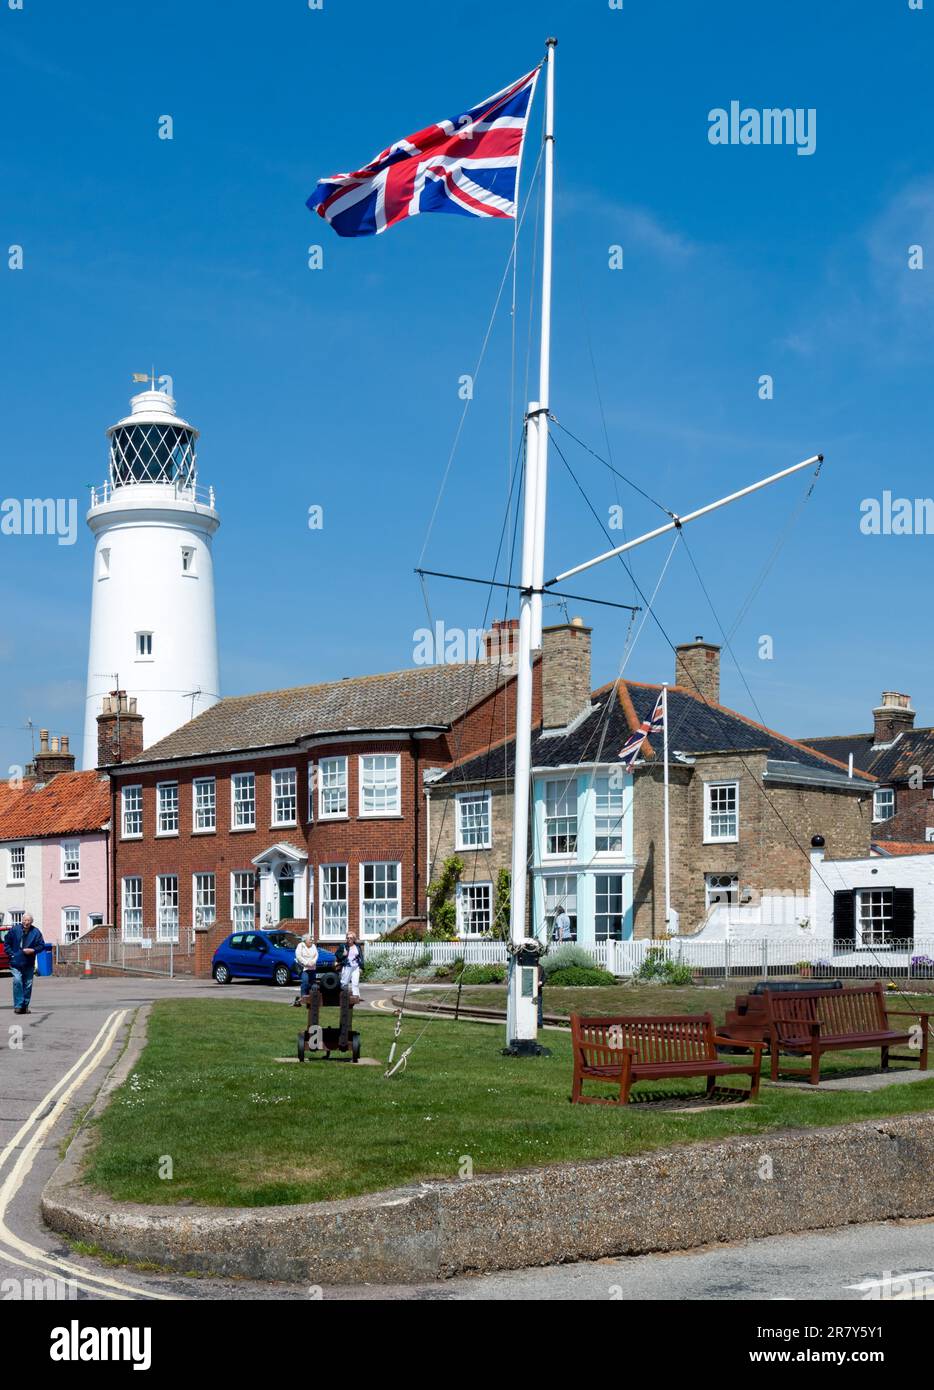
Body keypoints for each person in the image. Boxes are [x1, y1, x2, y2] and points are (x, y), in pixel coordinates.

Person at [7, 914, 45, 1015]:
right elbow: (7, 942)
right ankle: (18, 1006)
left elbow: (41, 945)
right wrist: (12, 954)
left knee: (28, 984)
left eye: (28, 920)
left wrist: (33, 950)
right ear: (22, 920)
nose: (26, 922)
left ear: (31, 922)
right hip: (16, 962)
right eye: (24, 920)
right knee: (17, 981)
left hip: (28, 962)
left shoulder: (36, 932)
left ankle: (25, 1006)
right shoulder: (15, 930)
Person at [336, 930, 364, 1004]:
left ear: (354, 939)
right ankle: (341, 996)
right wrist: (343, 955)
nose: (349, 939)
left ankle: (356, 997)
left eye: (351, 938)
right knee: (344, 983)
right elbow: (337, 955)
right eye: (348, 938)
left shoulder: (357, 947)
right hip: (347, 967)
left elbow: (361, 957)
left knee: (355, 982)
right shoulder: (343, 946)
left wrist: (361, 967)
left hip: (356, 967)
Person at [294, 933, 319, 1006]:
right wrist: (306, 963)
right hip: (304, 968)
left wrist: (313, 961)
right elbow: (298, 956)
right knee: (305, 982)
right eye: (310, 939)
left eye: (312, 939)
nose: (311, 940)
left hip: (312, 967)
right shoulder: (300, 945)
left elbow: (316, 955)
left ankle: (311, 1000)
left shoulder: (313, 946)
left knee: (312, 984)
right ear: (305, 940)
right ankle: (303, 998)